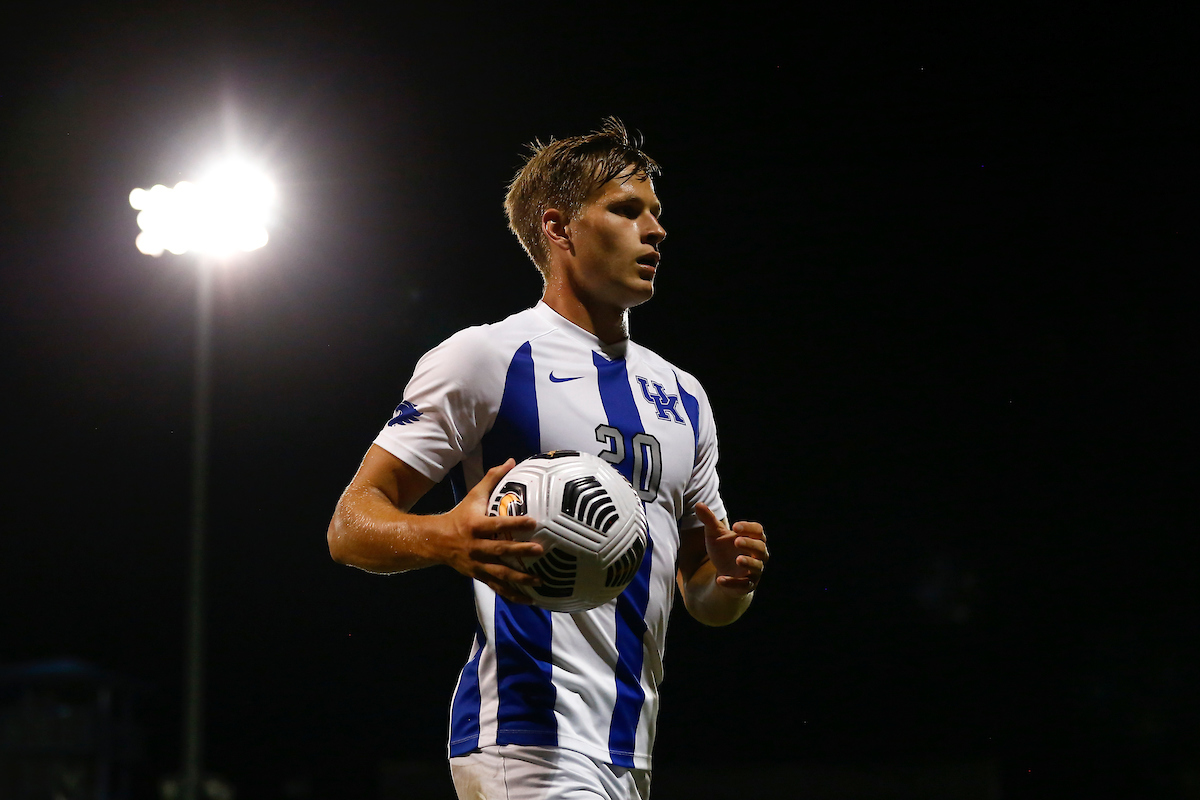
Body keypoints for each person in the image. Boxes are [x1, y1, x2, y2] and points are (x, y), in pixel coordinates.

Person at [326, 117, 768, 800]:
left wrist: (730, 582)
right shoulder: (486, 358)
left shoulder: (683, 396)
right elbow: (350, 524)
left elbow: (701, 594)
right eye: (627, 210)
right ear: (559, 228)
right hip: (526, 738)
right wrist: (445, 537)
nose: (656, 230)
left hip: (630, 750)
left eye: (656, 213)